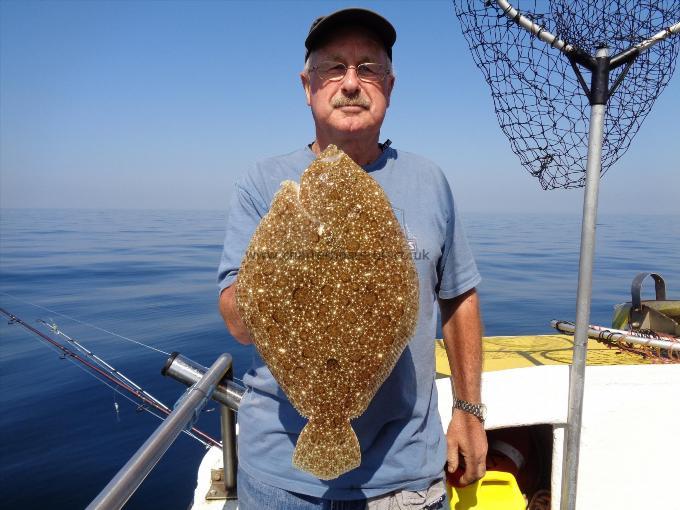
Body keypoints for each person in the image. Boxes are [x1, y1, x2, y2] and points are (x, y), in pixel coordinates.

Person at [217, 8, 487, 510]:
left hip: (406, 475)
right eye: (333, 67)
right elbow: (239, 324)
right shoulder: (261, 182)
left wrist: (468, 411)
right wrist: (282, 245)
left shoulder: (430, 181)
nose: (350, 83)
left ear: (389, 84)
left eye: (367, 68)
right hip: (281, 477)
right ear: (307, 85)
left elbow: (458, 296)